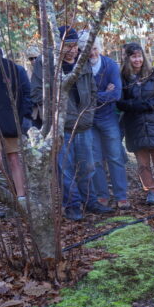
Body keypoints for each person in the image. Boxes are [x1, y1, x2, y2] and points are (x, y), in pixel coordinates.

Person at [32, 26, 112, 220]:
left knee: (87, 167)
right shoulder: (45, 64)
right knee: (66, 170)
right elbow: (35, 93)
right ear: (58, 46)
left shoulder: (81, 63)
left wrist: (89, 113)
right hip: (60, 127)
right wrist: (55, 110)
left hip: (84, 124)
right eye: (67, 45)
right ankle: (72, 206)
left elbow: (92, 90)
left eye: (75, 45)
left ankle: (90, 201)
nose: (72, 49)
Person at [78, 32, 129, 210]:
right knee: (96, 160)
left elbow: (116, 94)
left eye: (94, 48)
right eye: (87, 49)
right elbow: (80, 98)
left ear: (98, 47)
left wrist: (93, 96)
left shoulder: (110, 65)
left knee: (115, 157)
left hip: (108, 118)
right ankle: (102, 196)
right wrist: (102, 94)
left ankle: (121, 196)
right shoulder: (80, 67)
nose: (92, 53)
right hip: (88, 121)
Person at [117, 43, 154, 205]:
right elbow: (119, 101)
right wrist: (134, 106)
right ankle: (150, 190)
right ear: (128, 58)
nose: (137, 59)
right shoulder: (122, 78)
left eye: (139, 56)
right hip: (135, 124)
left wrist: (149, 105)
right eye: (133, 56)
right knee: (143, 164)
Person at [0, 48, 32, 208]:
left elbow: (26, 94)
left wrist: (23, 118)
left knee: (14, 159)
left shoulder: (13, 69)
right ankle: (3, 198)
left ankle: (21, 198)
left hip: (11, 122)